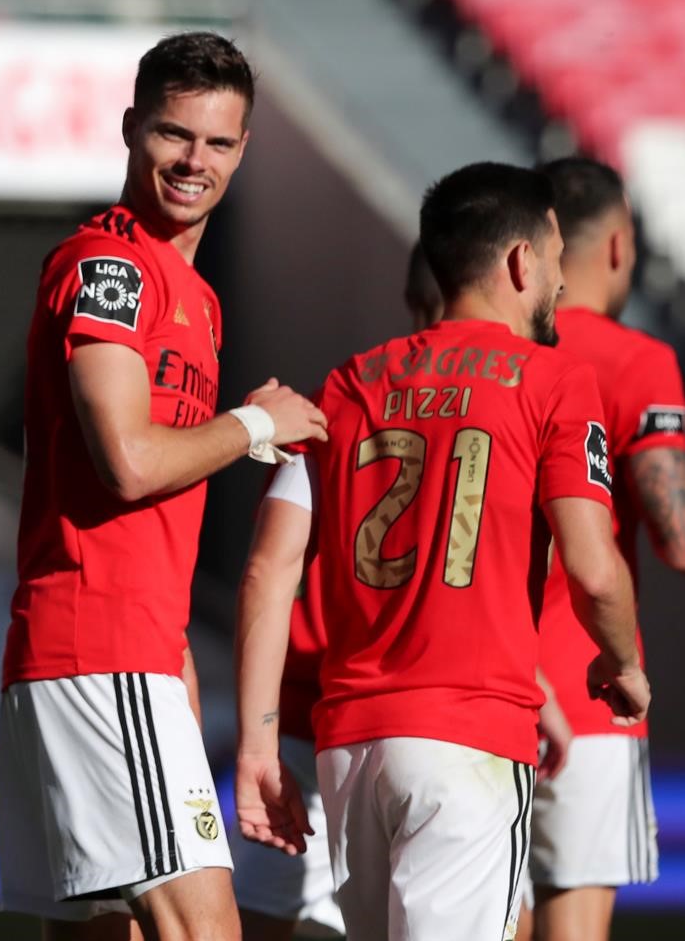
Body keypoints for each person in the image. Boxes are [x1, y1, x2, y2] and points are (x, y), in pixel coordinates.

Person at [235, 162, 651, 941]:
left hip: (350, 741)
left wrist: (257, 737)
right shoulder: (554, 381)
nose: (561, 281)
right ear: (521, 262)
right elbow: (594, 569)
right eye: (555, 259)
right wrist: (621, 659)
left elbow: (267, 567)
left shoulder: (347, 383)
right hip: (468, 737)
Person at [0, 32, 328, 941]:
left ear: (244, 149)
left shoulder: (197, 296)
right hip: (95, 646)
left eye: (218, 142)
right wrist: (255, 426)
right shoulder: (107, 265)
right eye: (174, 134)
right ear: (130, 127)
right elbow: (130, 462)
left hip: (121, 647)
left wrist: (174, 655)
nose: (194, 161)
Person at [230, 242, 444, 941]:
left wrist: (253, 739)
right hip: (440, 724)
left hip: (312, 720)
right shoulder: (511, 410)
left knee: (257, 921)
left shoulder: (337, 404)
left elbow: (268, 565)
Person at [520, 157, 685, 941]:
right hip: (591, 695)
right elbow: (674, 536)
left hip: (484, 689)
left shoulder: (496, 355)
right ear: (616, 246)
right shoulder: (637, 360)